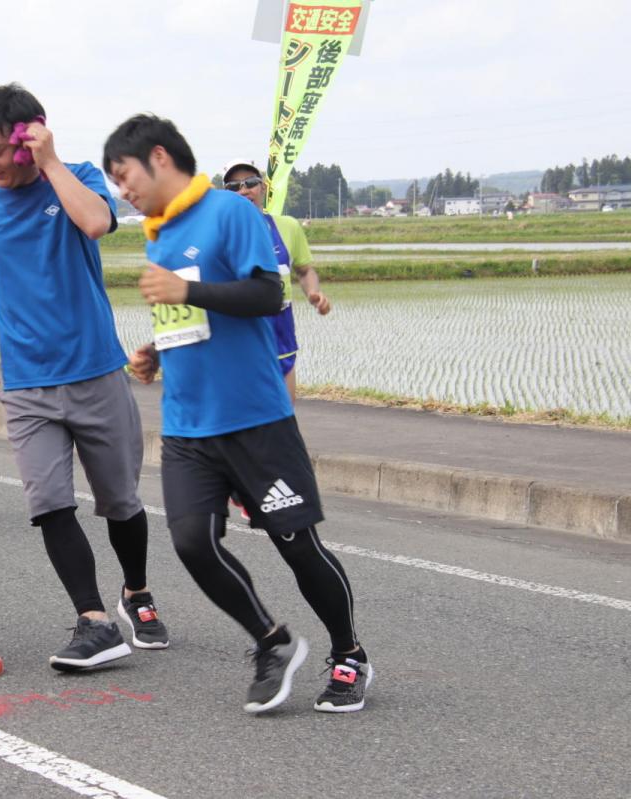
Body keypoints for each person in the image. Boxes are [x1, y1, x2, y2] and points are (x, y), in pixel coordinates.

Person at [104, 113, 372, 713]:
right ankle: (271, 641)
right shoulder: (159, 234)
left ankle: (349, 654)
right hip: (188, 427)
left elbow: (264, 294)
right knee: (192, 542)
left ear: (160, 157)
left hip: (255, 419)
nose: (123, 191)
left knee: (296, 544)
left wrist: (185, 292)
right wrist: (157, 352)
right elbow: (191, 318)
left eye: (124, 176)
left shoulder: (231, 213)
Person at [0, 84, 168, 671]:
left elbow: (98, 223)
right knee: (48, 503)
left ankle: (136, 592)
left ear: (32, 137)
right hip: (25, 383)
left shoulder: (75, 176)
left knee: (120, 501)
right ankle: (93, 619)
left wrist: (49, 162)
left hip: (96, 371)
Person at [221, 159, 331, 404]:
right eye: (233, 186)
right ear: (225, 194)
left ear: (263, 187)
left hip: (280, 330)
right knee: (244, 418)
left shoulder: (288, 227)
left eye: (250, 183)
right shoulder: (219, 232)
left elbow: (304, 270)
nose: (243, 190)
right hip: (239, 334)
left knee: (285, 415)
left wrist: (314, 293)